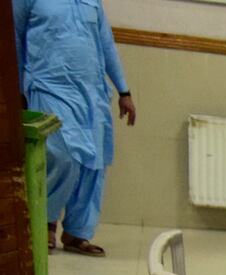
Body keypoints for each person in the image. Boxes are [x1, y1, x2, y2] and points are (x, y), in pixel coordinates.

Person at [12, 0, 134, 256]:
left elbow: (105, 43)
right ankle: (44, 222)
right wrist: (18, 88)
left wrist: (124, 90)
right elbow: (13, 37)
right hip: (49, 86)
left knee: (94, 164)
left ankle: (78, 232)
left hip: (92, 92)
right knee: (62, 156)